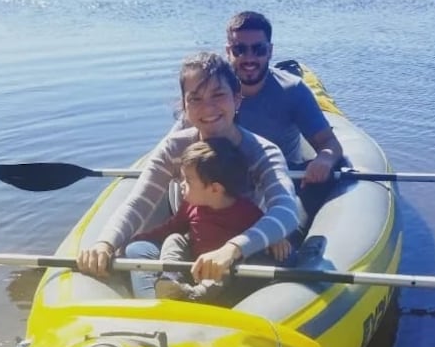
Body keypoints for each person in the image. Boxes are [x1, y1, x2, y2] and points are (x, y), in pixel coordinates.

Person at [77, 52, 300, 289]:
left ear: (237, 99)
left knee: (284, 258)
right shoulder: (174, 148)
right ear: (184, 105)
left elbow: (286, 211)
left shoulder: (263, 152)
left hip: (244, 248)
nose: (208, 107)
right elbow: (138, 203)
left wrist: (231, 249)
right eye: (195, 99)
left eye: (218, 95)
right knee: (137, 250)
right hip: (192, 237)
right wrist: (105, 244)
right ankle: (165, 306)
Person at [124, 137, 289, 301]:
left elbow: (263, 232)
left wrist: (277, 239)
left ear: (215, 189)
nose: (181, 184)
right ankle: (170, 280)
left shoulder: (246, 212)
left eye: (187, 181)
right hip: (194, 265)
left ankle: (193, 296)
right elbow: (170, 228)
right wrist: (139, 238)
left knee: (227, 269)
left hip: (221, 271)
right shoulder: (190, 206)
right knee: (174, 239)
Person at [225, 10, 345, 218]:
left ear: (270, 51)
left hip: (283, 181)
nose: (249, 58)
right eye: (240, 49)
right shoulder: (213, 92)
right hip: (227, 184)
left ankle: (294, 236)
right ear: (228, 51)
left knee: (333, 174)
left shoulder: (293, 91)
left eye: (258, 49)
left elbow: (330, 144)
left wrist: (324, 160)